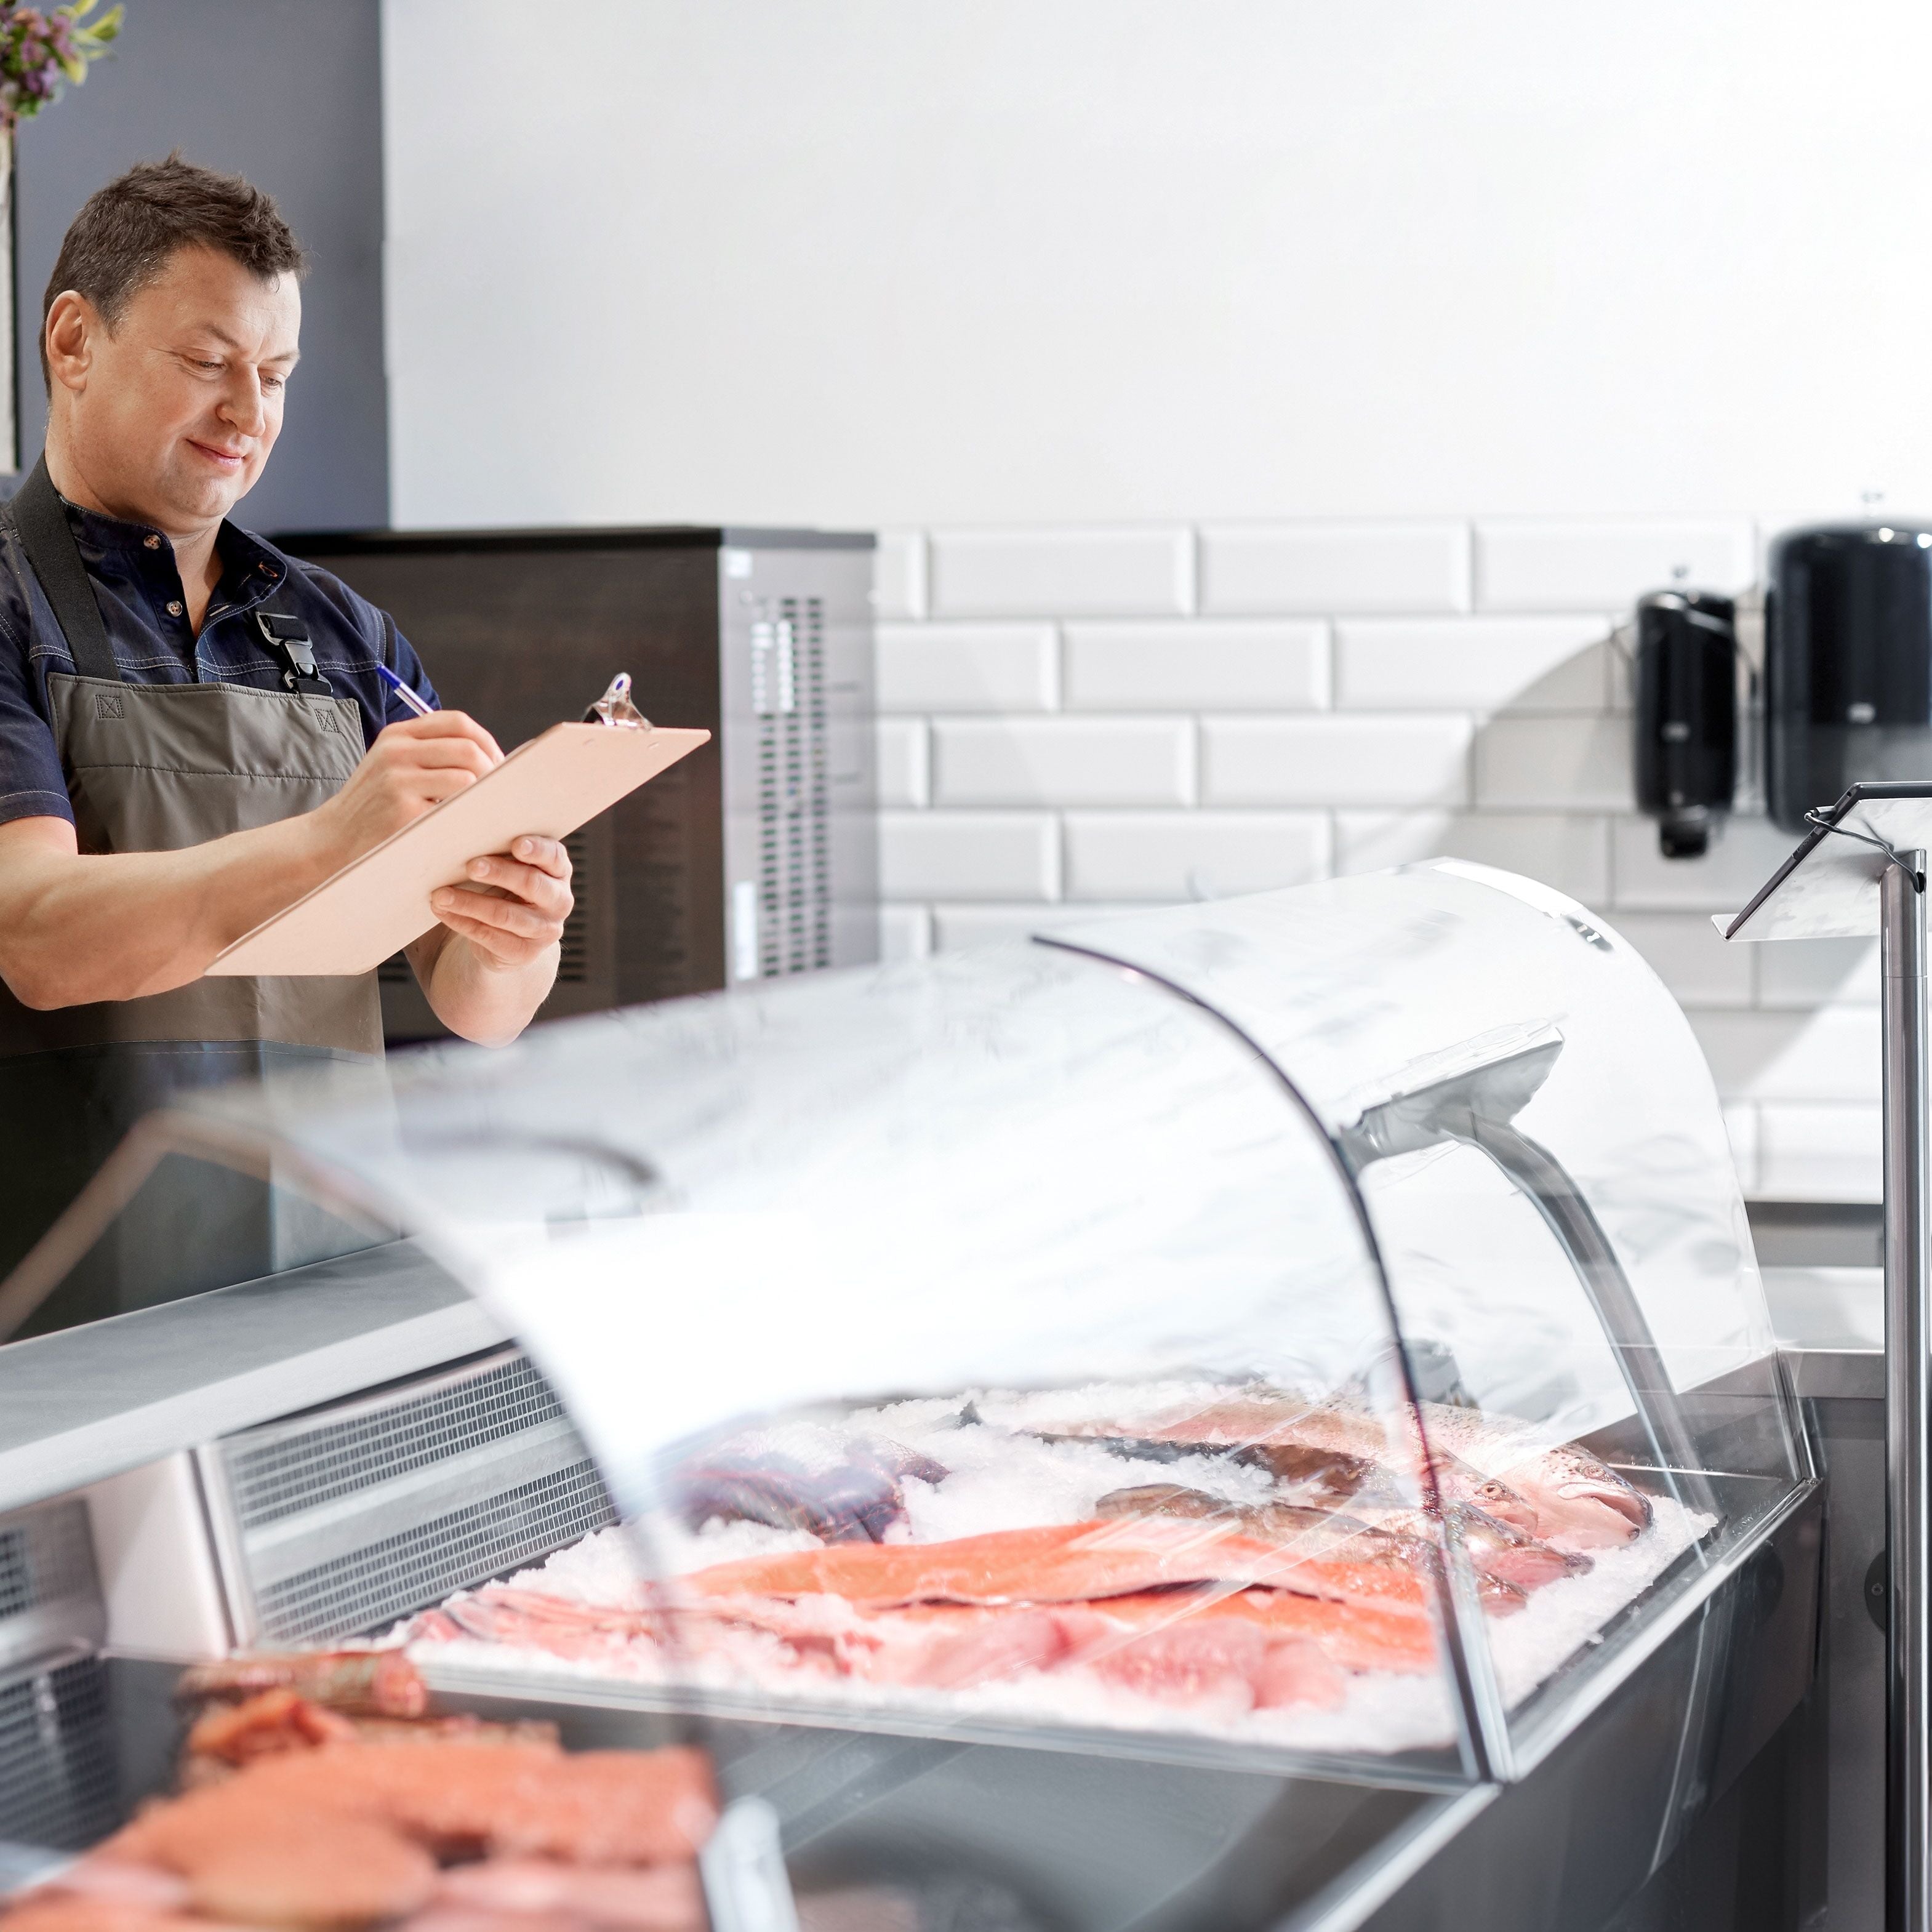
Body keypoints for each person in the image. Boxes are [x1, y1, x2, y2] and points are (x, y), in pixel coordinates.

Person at [0, 156, 574, 1332]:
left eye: (274, 375)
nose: (248, 415)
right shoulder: (8, 606)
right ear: (72, 341)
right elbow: (38, 938)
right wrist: (328, 841)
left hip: (328, 1276)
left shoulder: (341, 632)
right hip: (74, 1296)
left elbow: (473, 1001)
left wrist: (519, 926)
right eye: (208, 364)